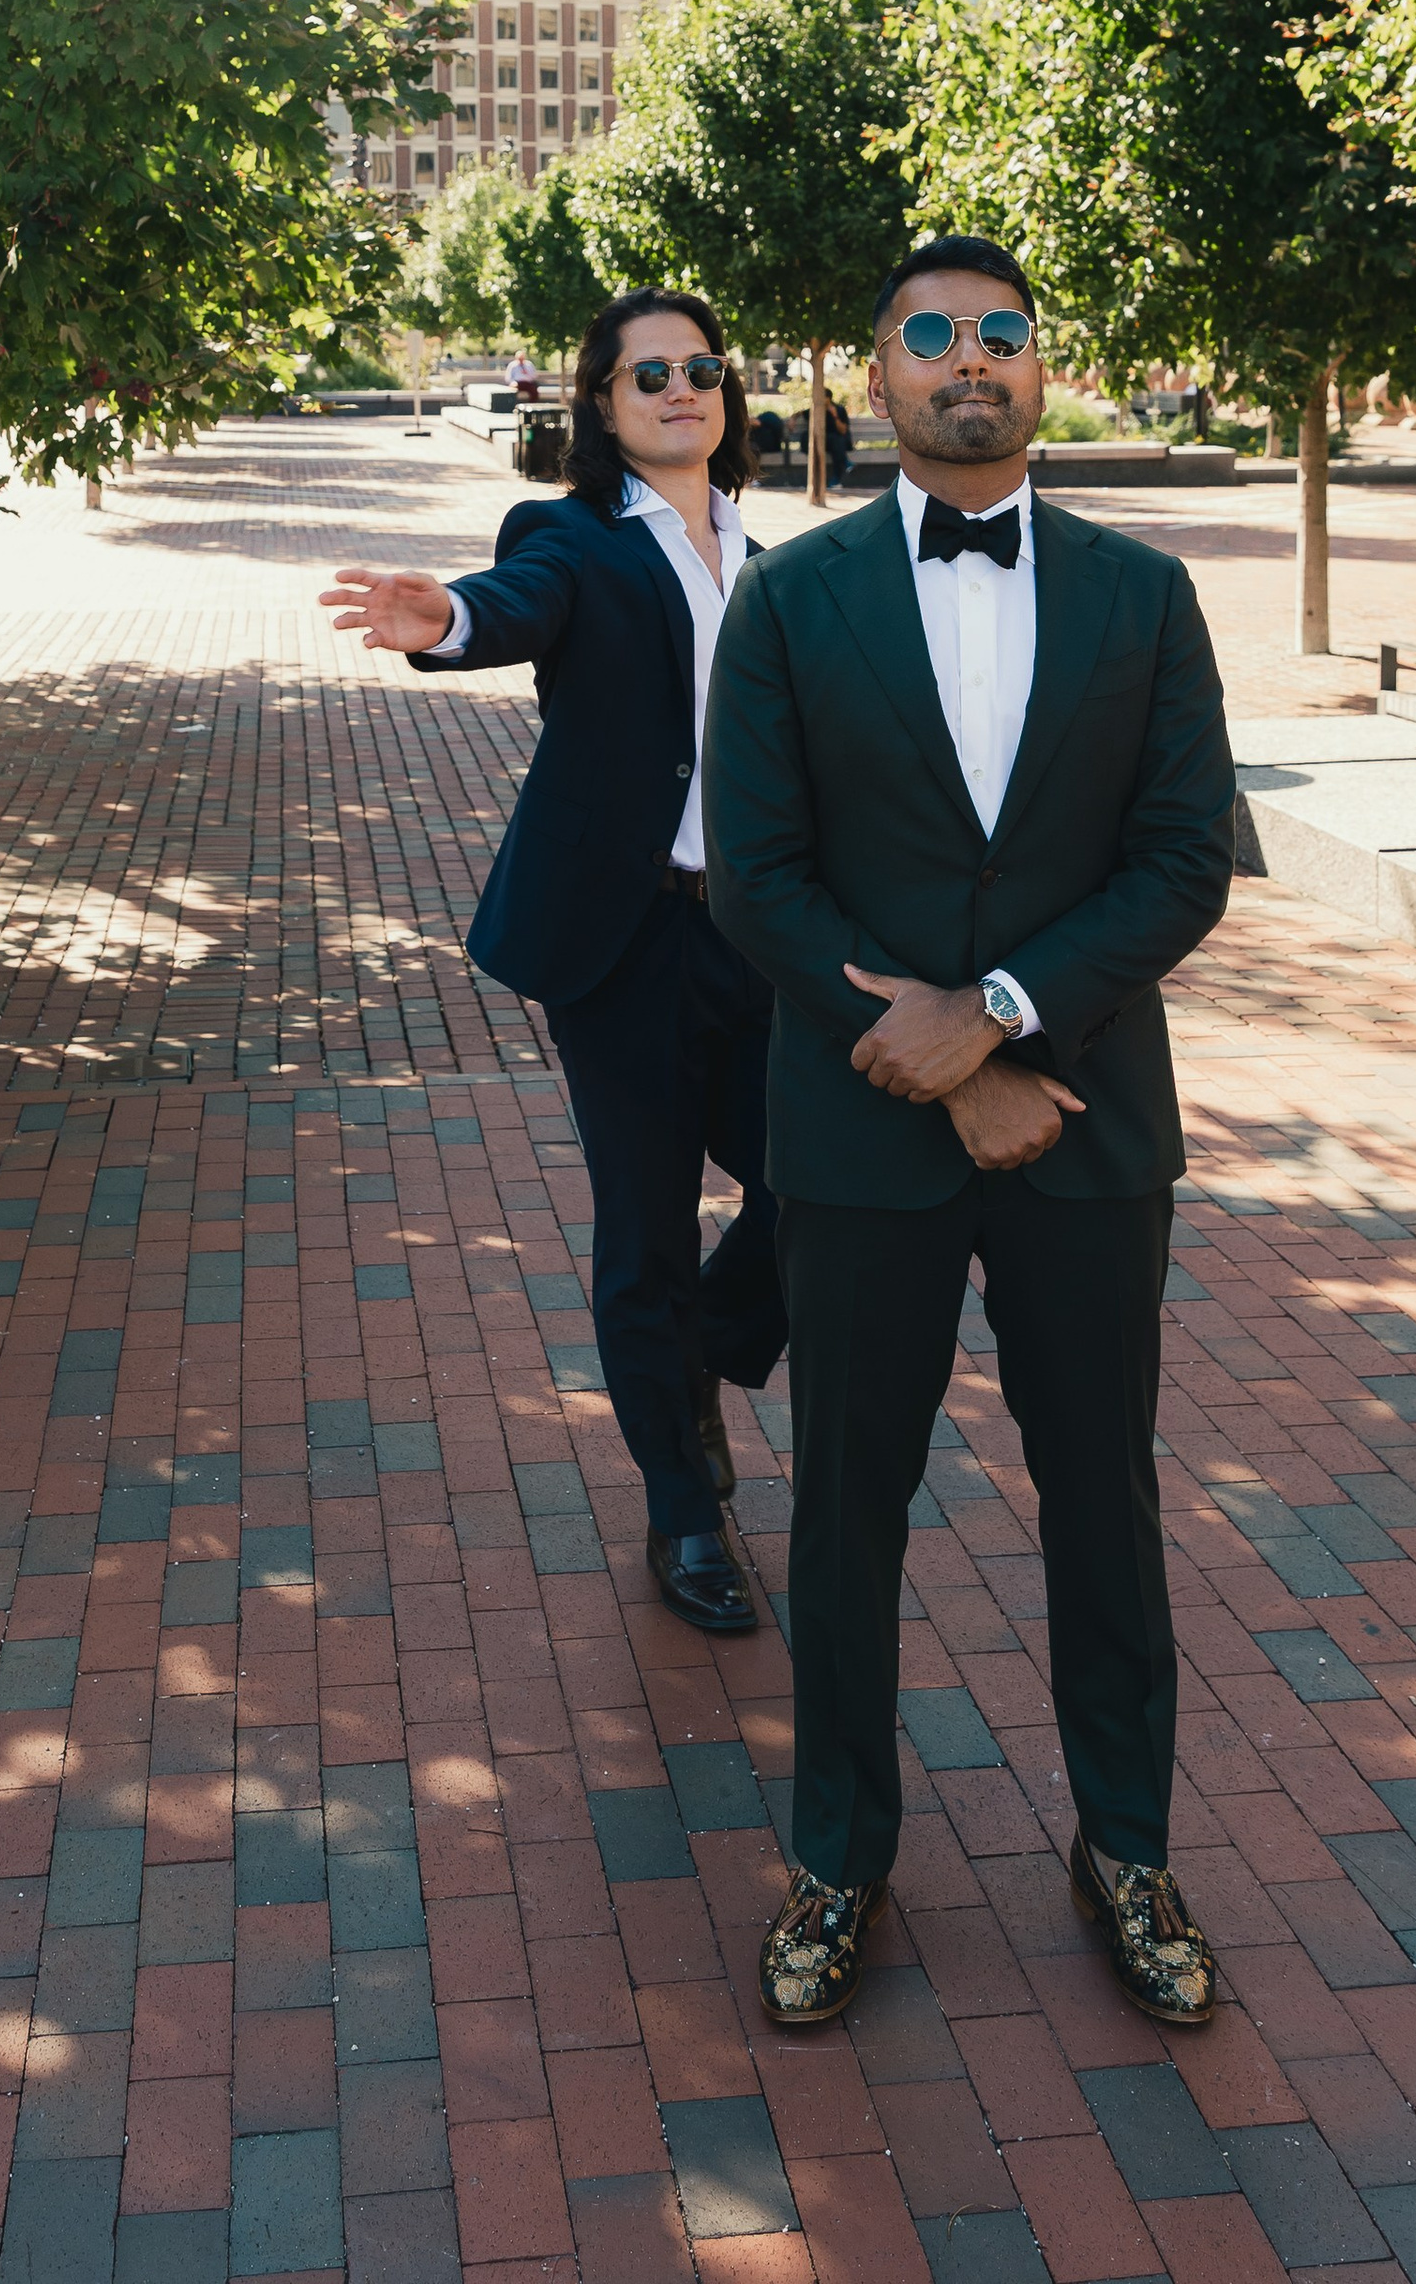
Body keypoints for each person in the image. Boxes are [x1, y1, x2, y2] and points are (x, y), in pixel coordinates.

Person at [703, 235, 1235, 2031]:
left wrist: (1002, 1017)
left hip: (1086, 1120)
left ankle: (1128, 1845)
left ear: (1041, 365)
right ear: (875, 378)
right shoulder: (791, 599)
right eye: (929, 337)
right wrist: (924, 1050)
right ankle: (839, 1859)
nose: (967, 362)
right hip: (857, 1137)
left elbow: (1181, 862)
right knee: (851, 1507)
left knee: (1106, 1492)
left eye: (1002, 334)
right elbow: (756, 879)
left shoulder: (1146, 596)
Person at [322, 290, 782, 1638]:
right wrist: (448, 618)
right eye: (650, 375)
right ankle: (684, 1514)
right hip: (625, 940)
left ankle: (701, 1350)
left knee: (821, 1175)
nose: (681, 388)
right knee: (642, 1228)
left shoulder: (769, 554)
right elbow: (520, 601)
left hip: (756, 936)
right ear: (603, 403)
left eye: (702, 367)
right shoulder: (573, 535)